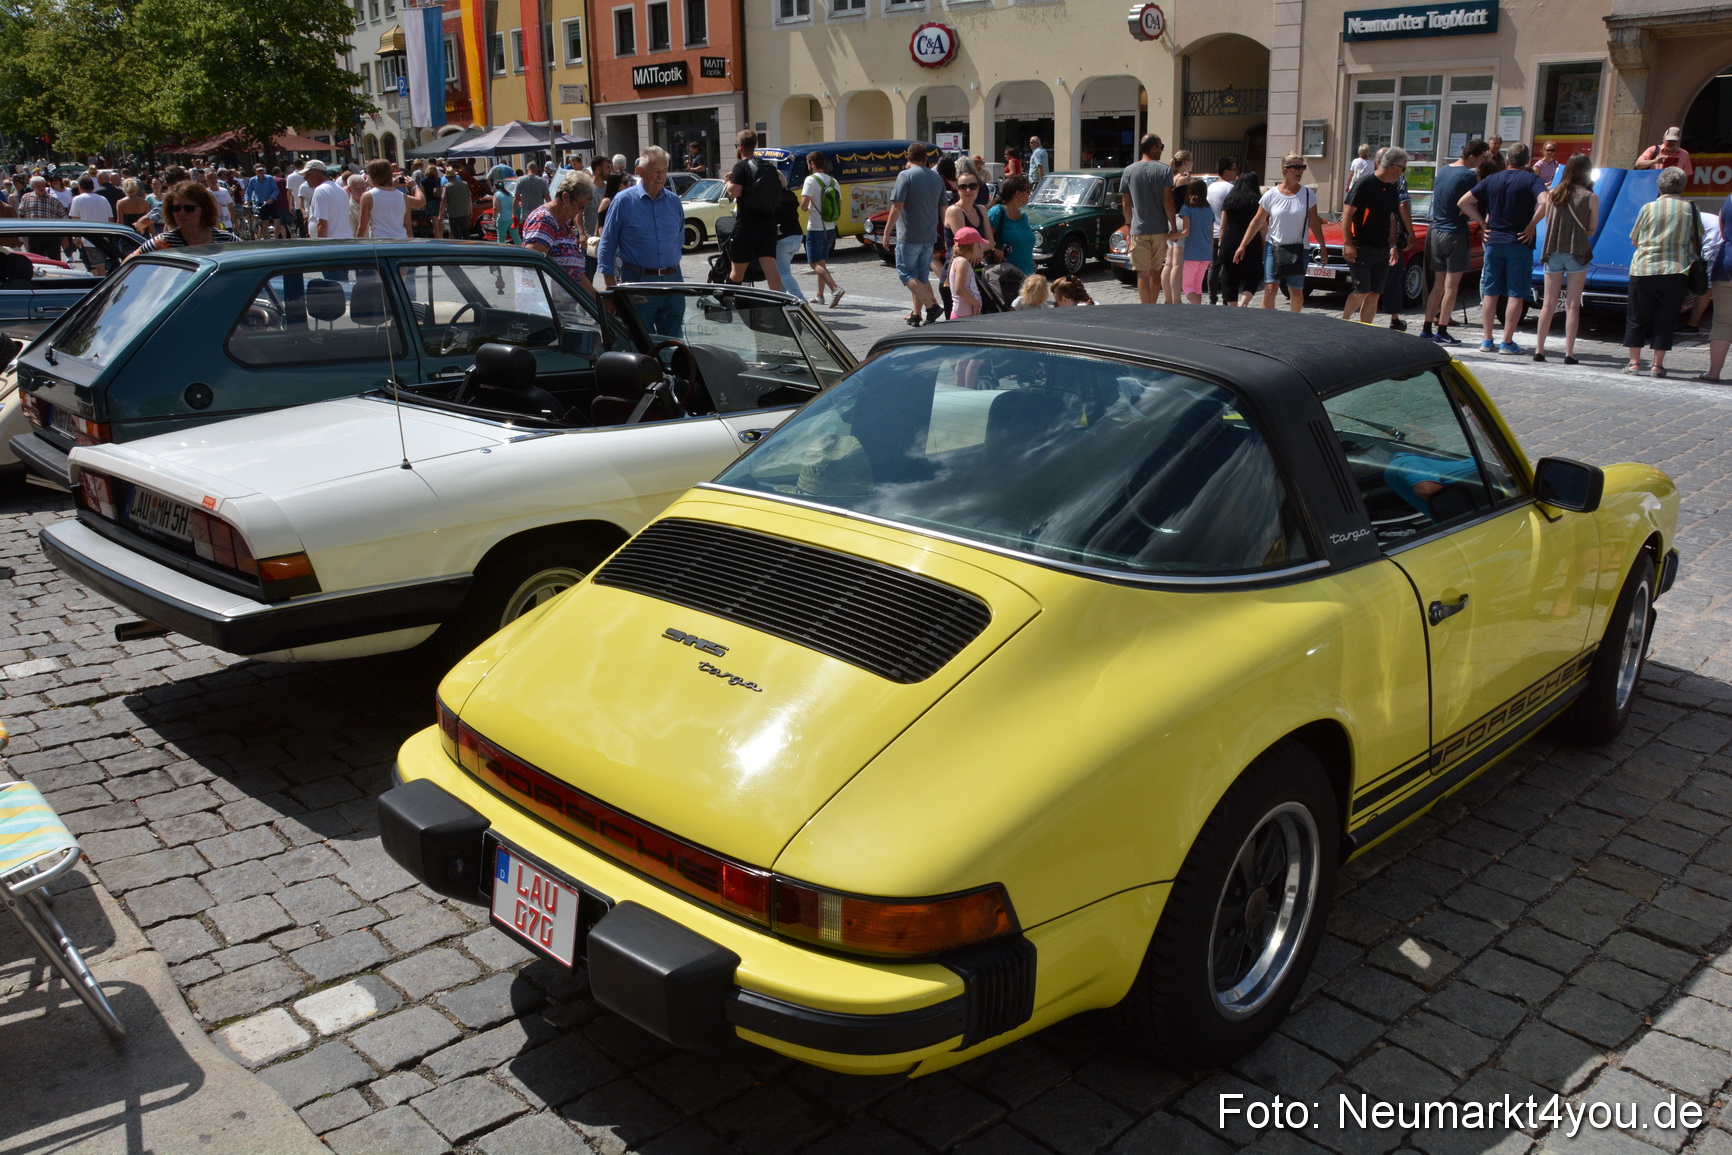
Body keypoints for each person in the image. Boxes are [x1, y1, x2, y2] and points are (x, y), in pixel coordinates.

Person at [1458, 142, 1547, 353]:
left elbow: (1464, 202)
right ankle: (1507, 341)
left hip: (1494, 240)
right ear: (1527, 162)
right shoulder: (1531, 179)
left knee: (1490, 291)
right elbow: (1545, 202)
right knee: (1516, 293)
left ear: (1507, 160)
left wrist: (1482, 223)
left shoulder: (1492, 179)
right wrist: (1531, 226)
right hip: (1519, 241)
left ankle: (1487, 339)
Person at [595, 147, 684, 335]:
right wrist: (611, 289)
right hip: (638, 282)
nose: (661, 177)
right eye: (656, 171)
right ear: (640, 172)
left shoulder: (674, 202)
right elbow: (607, 245)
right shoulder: (623, 201)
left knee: (674, 344)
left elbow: (679, 239)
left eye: (664, 170)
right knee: (642, 341)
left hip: (673, 281)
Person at [1622, 166, 1698, 378]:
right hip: (1676, 269)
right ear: (1682, 186)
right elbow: (1696, 239)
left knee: (1637, 316)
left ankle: (1635, 363)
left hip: (1644, 268)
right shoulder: (1691, 209)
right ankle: (1657, 365)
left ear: (1660, 186)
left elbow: (1635, 239)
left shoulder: (1648, 208)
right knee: (1666, 318)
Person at [1233, 154, 1327, 312]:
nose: (1300, 171)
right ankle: (1268, 324)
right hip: (1274, 247)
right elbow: (1256, 221)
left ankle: (1292, 323)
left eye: (1302, 167)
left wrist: (1322, 246)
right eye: (1296, 167)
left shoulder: (1307, 195)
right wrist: (1243, 245)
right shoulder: (1271, 195)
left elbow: (1315, 222)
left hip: (1299, 248)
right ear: (1285, 170)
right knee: (1270, 288)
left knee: (1296, 291)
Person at [1421, 138, 1490, 345]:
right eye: (1482, 158)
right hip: (1455, 232)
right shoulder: (1467, 176)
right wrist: (1483, 224)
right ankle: (1442, 329)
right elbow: (1468, 204)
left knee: (1438, 284)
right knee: (1452, 286)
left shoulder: (1443, 170)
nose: (1482, 162)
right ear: (1472, 157)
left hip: (1436, 231)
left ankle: (1426, 327)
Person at [1530, 154, 1598, 365]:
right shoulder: (1590, 197)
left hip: (1553, 251)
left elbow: (1549, 222)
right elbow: (1592, 230)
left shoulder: (1552, 194)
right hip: (1576, 252)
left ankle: (1539, 350)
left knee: (1548, 303)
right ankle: (1569, 353)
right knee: (1572, 305)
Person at [883, 141, 945, 326]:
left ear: (907, 158)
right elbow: (943, 209)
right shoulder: (936, 178)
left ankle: (931, 307)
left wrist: (887, 232)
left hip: (909, 235)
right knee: (921, 277)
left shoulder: (905, 175)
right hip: (929, 234)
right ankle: (916, 315)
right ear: (926, 158)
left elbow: (897, 206)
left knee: (906, 273)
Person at [725, 129, 784, 291]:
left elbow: (734, 192)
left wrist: (728, 182)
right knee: (770, 267)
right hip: (768, 224)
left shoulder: (741, 167)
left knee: (738, 269)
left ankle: (730, 299)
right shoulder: (769, 167)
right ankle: (777, 303)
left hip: (747, 225)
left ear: (740, 146)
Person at [1120, 133, 1175, 305]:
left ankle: (1145, 308)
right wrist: (1172, 225)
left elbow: (1125, 202)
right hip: (1159, 229)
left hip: (1139, 229)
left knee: (1142, 273)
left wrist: (1129, 225)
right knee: (1155, 271)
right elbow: (1167, 200)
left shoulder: (1129, 170)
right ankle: (1153, 307)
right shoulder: (1165, 170)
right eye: (1161, 147)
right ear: (1153, 148)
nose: (1161, 150)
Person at [522, 169, 594, 293]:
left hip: (562, 306)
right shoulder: (544, 221)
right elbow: (531, 265)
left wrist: (596, 298)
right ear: (565, 197)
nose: (582, 211)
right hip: (545, 306)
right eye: (581, 205)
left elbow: (576, 272)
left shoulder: (563, 223)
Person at [129, 182, 239, 254]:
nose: (181, 213)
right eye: (176, 208)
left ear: (205, 209)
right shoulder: (162, 243)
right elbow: (129, 266)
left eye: (189, 208)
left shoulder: (228, 241)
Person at [800, 152, 843, 307]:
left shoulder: (810, 180)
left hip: (816, 227)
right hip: (831, 227)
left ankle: (835, 289)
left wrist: (804, 205)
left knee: (814, 263)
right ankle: (819, 296)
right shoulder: (833, 181)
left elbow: (804, 205)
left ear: (812, 163)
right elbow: (839, 203)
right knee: (822, 262)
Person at [1217, 172, 1265, 306]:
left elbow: (1223, 225)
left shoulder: (1230, 199)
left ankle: (1232, 307)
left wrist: (1221, 245)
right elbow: (1262, 227)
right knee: (1254, 274)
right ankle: (1243, 303)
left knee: (1230, 276)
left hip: (1230, 238)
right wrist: (1263, 243)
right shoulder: (1257, 201)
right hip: (1251, 240)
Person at [1701, 191, 1732, 382]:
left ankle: (1713, 372)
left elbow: (1722, 231)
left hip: (1726, 263)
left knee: (1722, 321)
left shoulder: (1729, 199)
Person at [987, 173, 1036, 278]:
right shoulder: (997, 212)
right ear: (1018, 194)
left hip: (1028, 276)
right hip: (1008, 278)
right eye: (1027, 190)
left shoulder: (1023, 217)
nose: (1030, 194)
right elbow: (984, 241)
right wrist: (994, 250)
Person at [1161, 150, 1194, 305]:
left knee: (1168, 262)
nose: (1193, 163)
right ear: (1185, 162)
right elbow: (1189, 200)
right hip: (1180, 220)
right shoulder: (1182, 179)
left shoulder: (1172, 178)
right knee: (1177, 263)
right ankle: (1176, 299)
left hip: (1169, 220)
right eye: (1191, 160)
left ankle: (1168, 298)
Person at [1176, 181, 1215, 304]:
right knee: (1197, 285)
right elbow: (1211, 233)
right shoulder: (1209, 209)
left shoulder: (1187, 208)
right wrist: (1211, 253)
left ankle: (1198, 307)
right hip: (1206, 251)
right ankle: (1197, 312)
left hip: (1192, 252)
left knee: (1187, 286)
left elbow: (1186, 231)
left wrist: (1169, 236)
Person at [1207, 157, 1239, 304]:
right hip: (1226, 232)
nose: (1236, 172)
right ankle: (1226, 298)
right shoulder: (1230, 188)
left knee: (1214, 267)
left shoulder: (1210, 187)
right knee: (1227, 268)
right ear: (1226, 171)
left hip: (1211, 232)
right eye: (1234, 169)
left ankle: (1212, 298)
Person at [357, 158, 411, 238]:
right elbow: (408, 227)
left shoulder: (368, 197)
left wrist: (358, 247)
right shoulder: (403, 197)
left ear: (373, 175)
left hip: (380, 243)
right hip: (401, 241)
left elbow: (362, 228)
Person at [773, 181, 807, 302]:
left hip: (783, 238)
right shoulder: (791, 196)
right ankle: (781, 299)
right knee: (782, 270)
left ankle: (800, 299)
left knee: (783, 273)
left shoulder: (774, 198)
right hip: (797, 236)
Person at [947, 226, 987, 319]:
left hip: (965, 315)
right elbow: (959, 289)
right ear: (971, 246)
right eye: (978, 245)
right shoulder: (962, 262)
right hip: (963, 316)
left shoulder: (963, 262)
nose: (980, 248)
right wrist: (975, 304)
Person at [305, 161, 351, 240]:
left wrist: (322, 247)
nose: (305, 178)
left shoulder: (320, 190)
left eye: (307, 175)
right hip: (342, 240)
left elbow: (322, 224)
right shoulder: (339, 189)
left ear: (316, 173)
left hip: (332, 243)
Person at [442, 165, 473, 240]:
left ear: (446, 177)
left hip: (454, 214)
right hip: (465, 212)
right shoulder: (464, 184)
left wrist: (441, 213)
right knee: (466, 233)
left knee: (456, 234)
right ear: (455, 175)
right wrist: (470, 211)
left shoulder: (446, 186)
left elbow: (443, 201)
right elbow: (469, 198)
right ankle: (468, 249)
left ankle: (458, 249)